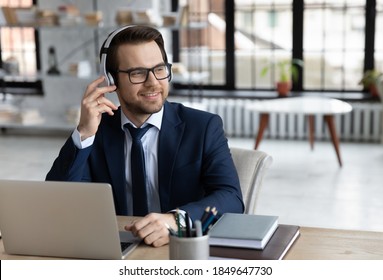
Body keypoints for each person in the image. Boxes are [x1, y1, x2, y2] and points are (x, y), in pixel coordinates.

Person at [46, 25, 243, 247]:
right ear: (112, 81)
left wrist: (175, 221)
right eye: (137, 73)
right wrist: (84, 132)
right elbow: (58, 200)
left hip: (179, 250)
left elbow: (231, 198)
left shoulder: (203, 127)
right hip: (115, 251)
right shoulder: (97, 130)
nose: (153, 82)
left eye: (159, 69)